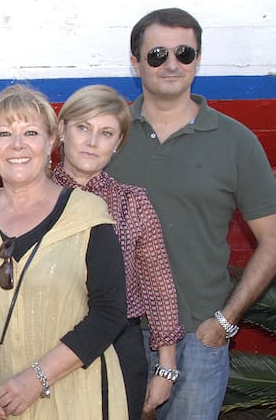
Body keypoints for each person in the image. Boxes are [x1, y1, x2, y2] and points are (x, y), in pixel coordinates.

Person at [104, 8, 276, 420]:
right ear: (135, 62)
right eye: (157, 55)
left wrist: (224, 322)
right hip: (114, 332)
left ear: (198, 59)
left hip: (198, 337)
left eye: (184, 53)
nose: (172, 64)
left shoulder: (236, 141)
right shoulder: (106, 135)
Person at [0, 84, 129, 419]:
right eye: (4, 133)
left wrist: (37, 378)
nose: (17, 145)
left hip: (73, 401)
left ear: (51, 142)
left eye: (31, 133)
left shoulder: (88, 215)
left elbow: (109, 313)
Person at [53, 85, 184, 420]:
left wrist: (165, 368)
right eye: (83, 127)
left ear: (118, 143)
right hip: (47, 341)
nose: (92, 141)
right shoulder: (31, 196)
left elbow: (158, 285)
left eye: (106, 133)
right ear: (61, 130)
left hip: (118, 344)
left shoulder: (132, 202)